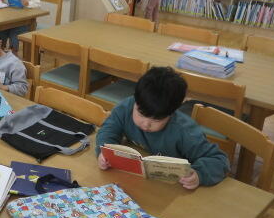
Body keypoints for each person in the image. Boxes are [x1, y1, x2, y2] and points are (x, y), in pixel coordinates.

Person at [95, 67, 230, 190]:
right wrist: (104, 153)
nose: (146, 124)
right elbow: (108, 129)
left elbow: (219, 160)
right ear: (136, 101)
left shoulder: (185, 131)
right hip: (136, 182)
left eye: (156, 120)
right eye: (141, 114)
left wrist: (199, 174)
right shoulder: (127, 107)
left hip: (172, 189)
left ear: (171, 113)